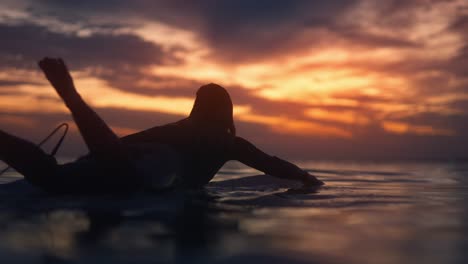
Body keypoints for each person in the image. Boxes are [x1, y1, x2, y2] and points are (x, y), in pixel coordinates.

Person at [0, 57, 323, 195]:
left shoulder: (179, 129)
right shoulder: (229, 143)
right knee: (107, 171)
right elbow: (274, 165)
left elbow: (120, 145)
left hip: (119, 168)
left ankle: (72, 100)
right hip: (142, 181)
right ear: (227, 112)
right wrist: (308, 179)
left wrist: (89, 160)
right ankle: (71, 97)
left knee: (51, 177)